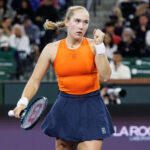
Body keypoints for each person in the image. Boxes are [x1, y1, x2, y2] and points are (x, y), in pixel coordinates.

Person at [12, 6, 114, 150]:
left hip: (92, 106)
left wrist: (100, 47)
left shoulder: (94, 46)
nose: (81, 26)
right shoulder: (51, 49)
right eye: (77, 21)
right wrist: (22, 102)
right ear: (66, 22)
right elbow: (34, 80)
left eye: (85, 22)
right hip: (66, 106)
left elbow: (105, 76)